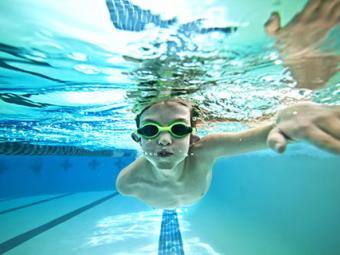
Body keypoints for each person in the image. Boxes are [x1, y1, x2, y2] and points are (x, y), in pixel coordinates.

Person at [115, 0, 340, 209]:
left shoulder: (204, 152)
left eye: (179, 128)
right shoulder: (126, 182)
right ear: (138, 138)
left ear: (193, 137)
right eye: (150, 130)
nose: (164, 139)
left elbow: (267, 134)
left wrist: (297, 109)